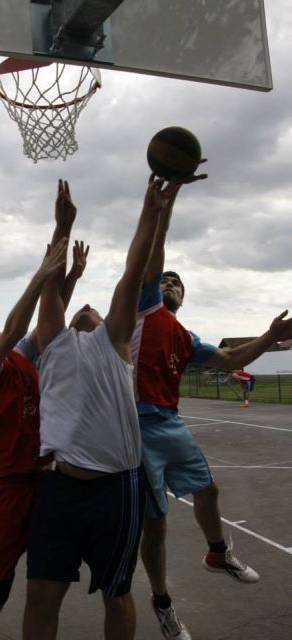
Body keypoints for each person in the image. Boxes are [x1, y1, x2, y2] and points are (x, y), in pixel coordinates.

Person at [22, 176, 183, 640]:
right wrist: (61, 225)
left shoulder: (115, 340)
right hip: (61, 488)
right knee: (40, 592)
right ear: (71, 320)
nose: (87, 306)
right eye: (81, 305)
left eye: (94, 304)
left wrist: (151, 211)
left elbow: (134, 269)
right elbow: (50, 282)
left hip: (116, 491)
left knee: (117, 592)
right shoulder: (52, 343)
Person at [133, 172, 292, 640]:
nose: (170, 282)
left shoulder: (184, 336)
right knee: (156, 524)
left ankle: (217, 551)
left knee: (209, 489)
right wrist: (167, 203)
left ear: (185, 296)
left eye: (177, 283)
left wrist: (270, 337)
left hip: (168, 422)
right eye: (165, 279)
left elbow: (229, 359)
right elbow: (153, 257)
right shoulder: (145, 307)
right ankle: (162, 601)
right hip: (135, 426)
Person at [0, 182, 88, 640]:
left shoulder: (21, 356)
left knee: (47, 578)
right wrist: (39, 274)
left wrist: (65, 253)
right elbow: (17, 326)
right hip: (4, 485)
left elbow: (49, 318)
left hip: (41, 476)